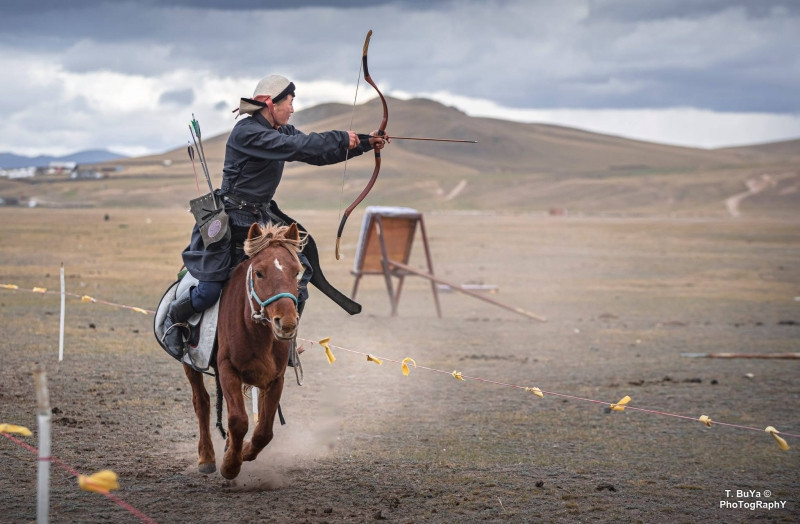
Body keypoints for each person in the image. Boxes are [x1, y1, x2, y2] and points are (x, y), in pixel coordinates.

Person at [161, 74, 387, 359]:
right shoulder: (247, 132)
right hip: (230, 219)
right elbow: (299, 146)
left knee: (299, 274)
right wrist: (342, 137)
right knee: (209, 290)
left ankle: (285, 338)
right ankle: (173, 319)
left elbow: (315, 153)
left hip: (262, 217)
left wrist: (364, 143)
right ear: (271, 103)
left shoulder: (282, 131)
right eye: (289, 102)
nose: (292, 108)